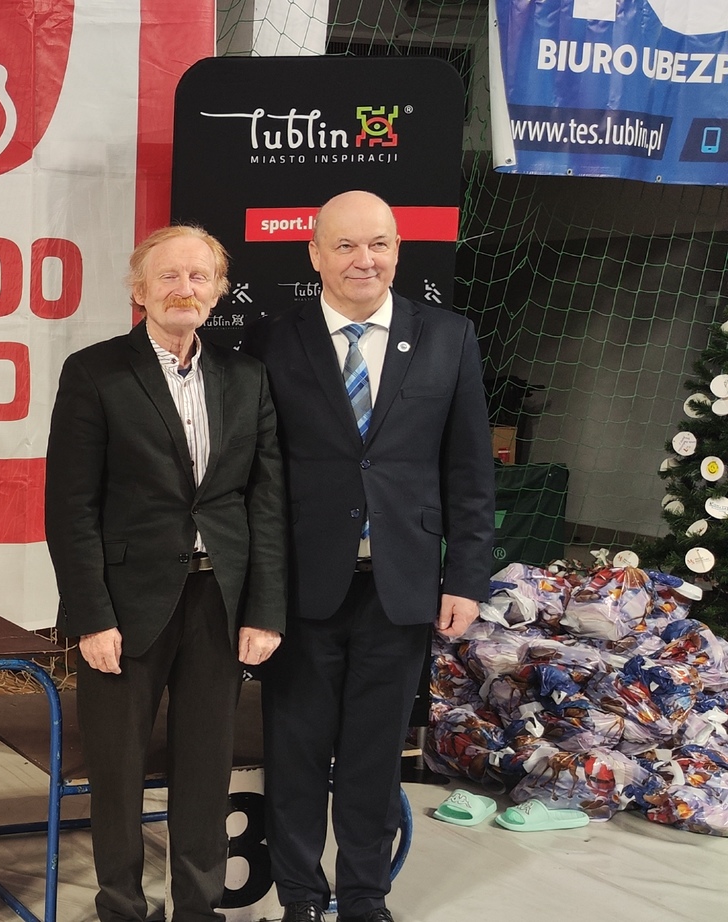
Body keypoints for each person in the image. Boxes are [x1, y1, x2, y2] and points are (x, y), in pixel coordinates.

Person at [241, 191, 494, 922]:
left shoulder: (448, 336)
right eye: (346, 245)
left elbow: (469, 469)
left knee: (375, 757)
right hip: (301, 589)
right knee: (294, 753)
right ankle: (299, 897)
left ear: (398, 250)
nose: (364, 259)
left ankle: (363, 896)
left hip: (402, 588)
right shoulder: (270, 340)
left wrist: (466, 576)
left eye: (378, 243)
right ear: (314, 254)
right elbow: (254, 475)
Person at [47, 225, 287, 922]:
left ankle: (197, 909)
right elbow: (70, 507)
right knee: (117, 772)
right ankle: (122, 907)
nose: (185, 289)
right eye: (169, 276)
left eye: (199, 276)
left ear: (219, 290)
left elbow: (266, 503)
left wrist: (265, 609)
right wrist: (91, 616)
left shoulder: (247, 378)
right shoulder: (94, 373)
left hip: (220, 600)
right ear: (139, 288)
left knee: (207, 769)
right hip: (124, 607)